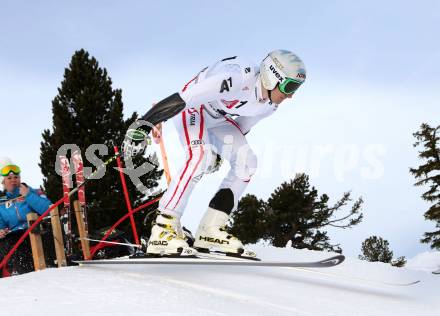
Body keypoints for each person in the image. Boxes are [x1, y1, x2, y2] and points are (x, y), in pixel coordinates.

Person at [123, 50, 306, 258]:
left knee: (247, 162)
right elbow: (185, 98)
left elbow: (240, 129)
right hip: (192, 107)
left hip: (217, 118)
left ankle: (210, 230)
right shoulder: (237, 79)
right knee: (199, 156)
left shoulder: (269, 106)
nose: (291, 95)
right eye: (290, 86)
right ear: (273, 76)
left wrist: (219, 153)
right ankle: (163, 229)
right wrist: (144, 125)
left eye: (296, 88)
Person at [0, 157, 52, 275]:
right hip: (15, 236)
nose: (14, 180)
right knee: (6, 243)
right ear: (3, 182)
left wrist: (28, 195)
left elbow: (48, 209)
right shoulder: (2, 203)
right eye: (9, 178)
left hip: (36, 228)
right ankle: (26, 274)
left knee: (44, 234)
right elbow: (1, 223)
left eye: (16, 177)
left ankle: (49, 267)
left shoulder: (33, 192)